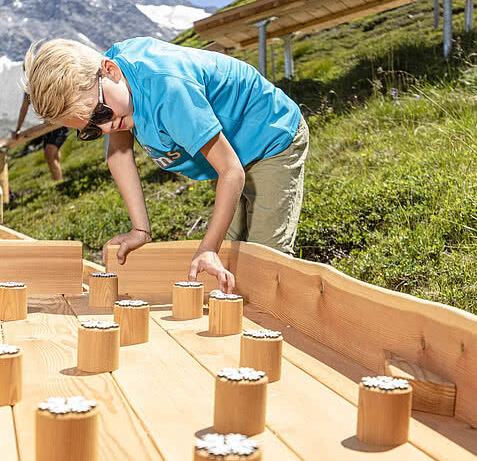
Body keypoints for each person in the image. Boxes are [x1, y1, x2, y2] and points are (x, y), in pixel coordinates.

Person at [24, 37, 309, 292]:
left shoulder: (169, 90)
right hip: (228, 154)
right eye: (90, 129)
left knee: (264, 259)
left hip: (270, 137)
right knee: (230, 257)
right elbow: (119, 155)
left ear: (110, 70)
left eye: (101, 113)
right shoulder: (107, 86)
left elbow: (231, 171)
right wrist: (140, 230)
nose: (108, 127)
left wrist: (208, 247)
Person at [14, 91, 69, 183]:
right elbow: (24, 109)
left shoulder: (46, 80)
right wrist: (18, 128)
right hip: (47, 125)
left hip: (59, 122)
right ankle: (57, 180)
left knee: (49, 154)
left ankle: (58, 182)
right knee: (52, 156)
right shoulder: (28, 89)